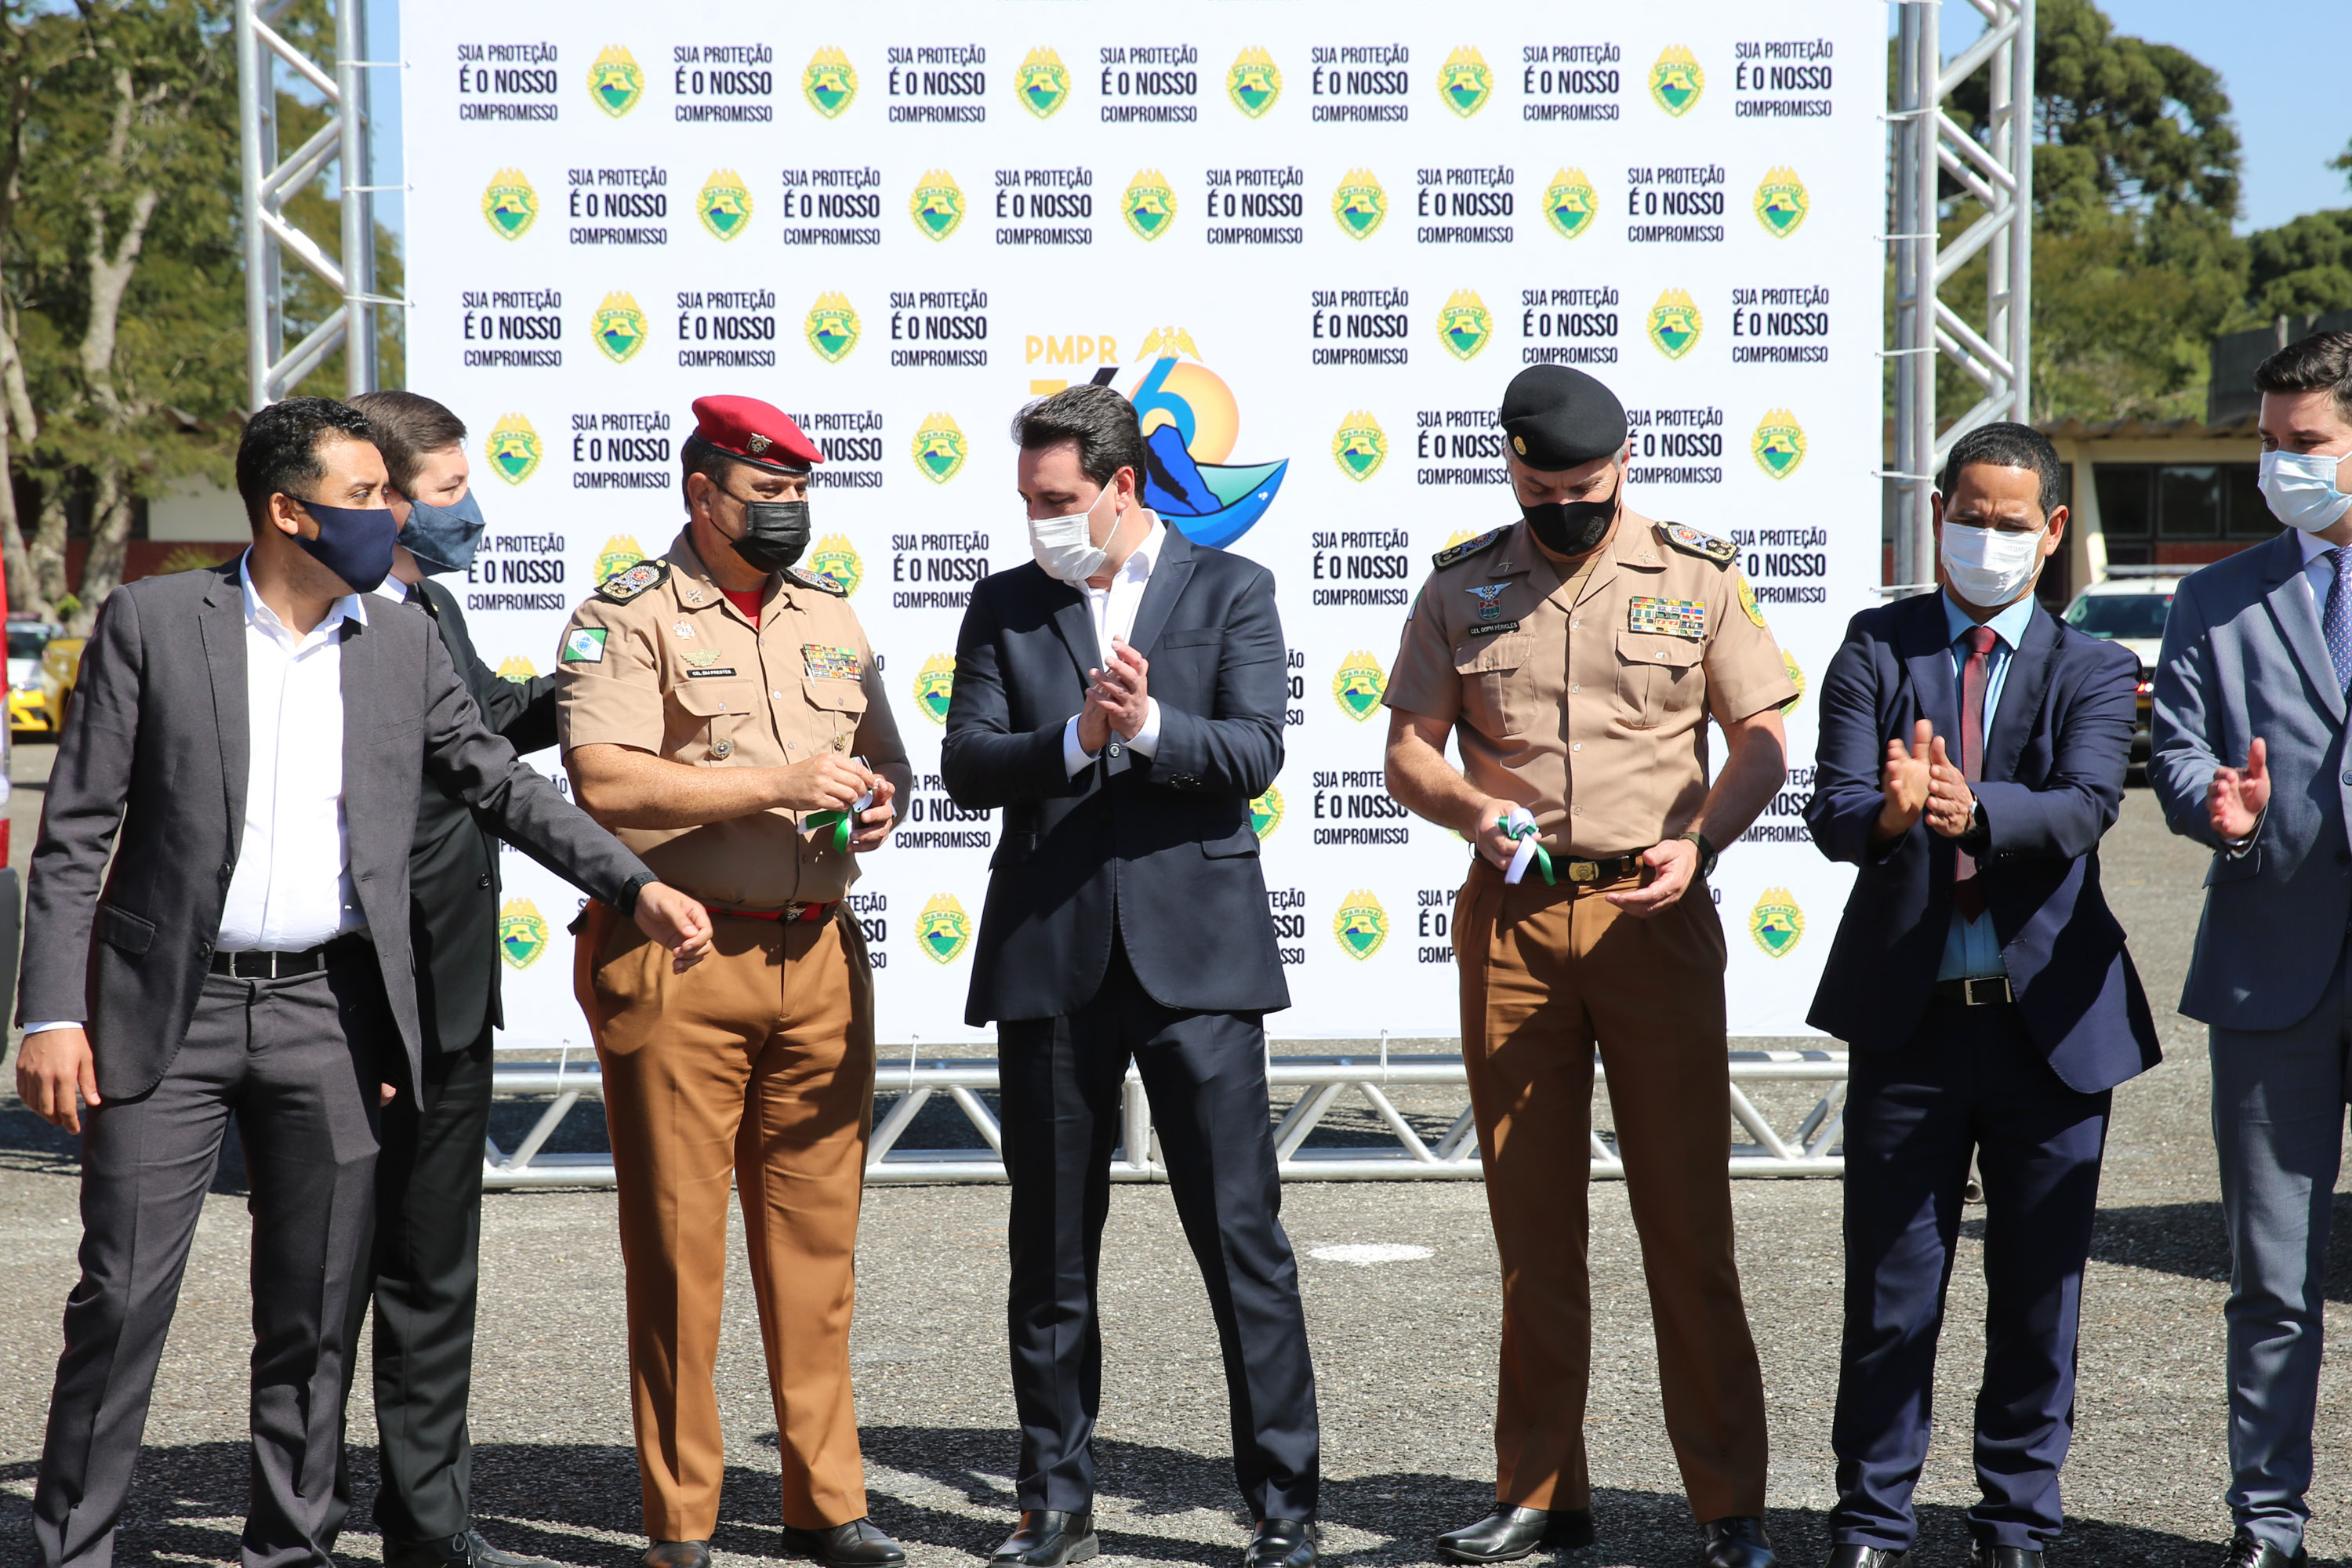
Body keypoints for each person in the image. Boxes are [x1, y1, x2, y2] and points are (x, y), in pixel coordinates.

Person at [13, 397, 710, 1568]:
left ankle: (291, 1547)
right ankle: (71, 1546)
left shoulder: (400, 641)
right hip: (164, 1016)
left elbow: (499, 783)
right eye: (369, 496)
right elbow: (75, 831)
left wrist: (632, 883)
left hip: (330, 1014)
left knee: (316, 1313)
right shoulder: (150, 620)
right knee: (122, 1299)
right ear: (290, 511)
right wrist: (51, 1011)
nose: (395, 514)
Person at [1382, 365, 1792, 1568]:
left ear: (1626, 462)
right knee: (1534, 1227)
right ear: (1510, 467)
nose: (1567, 503)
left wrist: (1702, 838)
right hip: (1513, 920)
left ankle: (1729, 1505)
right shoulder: (1464, 584)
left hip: (1654, 918)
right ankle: (1542, 1494)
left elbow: (1763, 734)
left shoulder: (1698, 573)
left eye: (1588, 484)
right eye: (1544, 484)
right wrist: (1468, 810)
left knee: (1686, 1223)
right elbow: (1408, 747)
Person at [940, 383, 1319, 1568]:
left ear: (1123, 489)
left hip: (1196, 959)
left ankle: (1284, 1505)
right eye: (1026, 501)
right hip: (1051, 957)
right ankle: (1052, 1502)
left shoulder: (1230, 589)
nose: (1039, 522)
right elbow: (968, 762)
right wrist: (1078, 742)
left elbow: (1256, 750)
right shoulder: (1006, 605)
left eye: (1058, 502)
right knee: (1050, 1247)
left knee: (1240, 1235)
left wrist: (1151, 729)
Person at [557, 394, 912, 1568]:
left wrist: (881, 800)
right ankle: (683, 1521)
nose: (788, 514)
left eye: (801, 495)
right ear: (702, 496)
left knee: (818, 1249)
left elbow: (884, 764)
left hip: (818, 959)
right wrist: (773, 783)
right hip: (682, 960)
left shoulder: (832, 615)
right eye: (766, 497)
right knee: (677, 1251)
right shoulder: (629, 616)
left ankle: (827, 1502)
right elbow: (605, 781)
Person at [1804, 422, 2160, 1568]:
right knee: (1893, 1295)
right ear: (1937, 515)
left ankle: (2015, 1520)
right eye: (1972, 517)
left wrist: (1973, 810)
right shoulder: (1876, 646)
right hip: (1908, 1031)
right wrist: (1898, 816)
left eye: (2014, 525)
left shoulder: (2095, 666)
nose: (1989, 540)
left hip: (2049, 1032)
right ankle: (1871, 1519)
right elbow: (1837, 812)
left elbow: (2084, 807)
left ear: (2054, 533)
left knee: (2037, 1299)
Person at [325, 389, 563, 1568]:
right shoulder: (322, 624)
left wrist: (579, 679)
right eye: (450, 490)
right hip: (352, 996)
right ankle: (298, 1509)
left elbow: (486, 736)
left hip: (457, 988)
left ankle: (428, 1522)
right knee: (324, 1276)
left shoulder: (435, 605)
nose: (473, 511)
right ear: (381, 497)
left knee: (433, 1268)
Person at [2151, 328, 2352, 1568]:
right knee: (2271, 1280)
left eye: (2307, 446)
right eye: (2269, 446)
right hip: (2271, 967)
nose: (2281, 466)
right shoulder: (2214, 598)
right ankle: (2266, 1523)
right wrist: (2207, 805)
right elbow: (2177, 750)